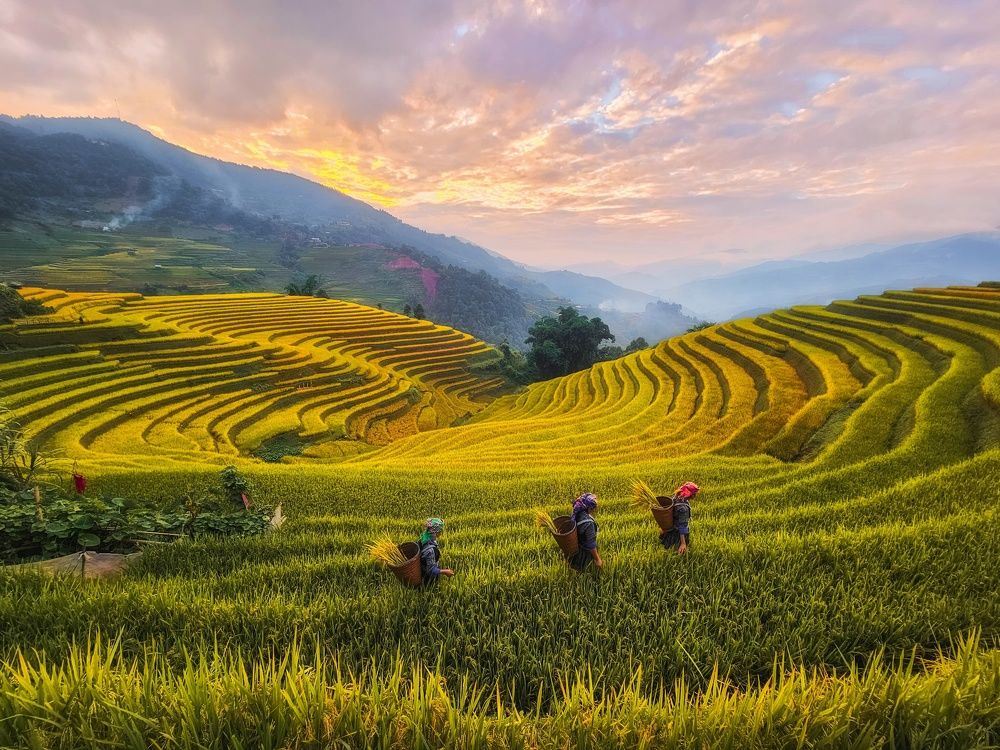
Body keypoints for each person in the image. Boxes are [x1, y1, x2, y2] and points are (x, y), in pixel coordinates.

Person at [660, 482, 698, 554]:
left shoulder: (676, 497)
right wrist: (683, 543)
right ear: (690, 494)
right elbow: (682, 527)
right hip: (677, 534)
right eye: (694, 494)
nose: (695, 495)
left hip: (670, 529)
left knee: (669, 550)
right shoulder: (683, 509)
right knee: (679, 552)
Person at [568, 492, 604, 571]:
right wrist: (598, 559)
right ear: (589, 508)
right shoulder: (588, 524)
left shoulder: (576, 513)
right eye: (594, 508)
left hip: (575, 548)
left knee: (575, 570)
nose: (594, 509)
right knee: (585, 571)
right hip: (584, 553)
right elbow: (591, 544)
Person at [418, 517, 454, 585]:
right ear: (435, 532)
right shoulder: (430, 550)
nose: (441, 532)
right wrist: (445, 571)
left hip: (421, 570)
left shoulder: (424, 538)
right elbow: (430, 570)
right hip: (427, 580)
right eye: (440, 531)